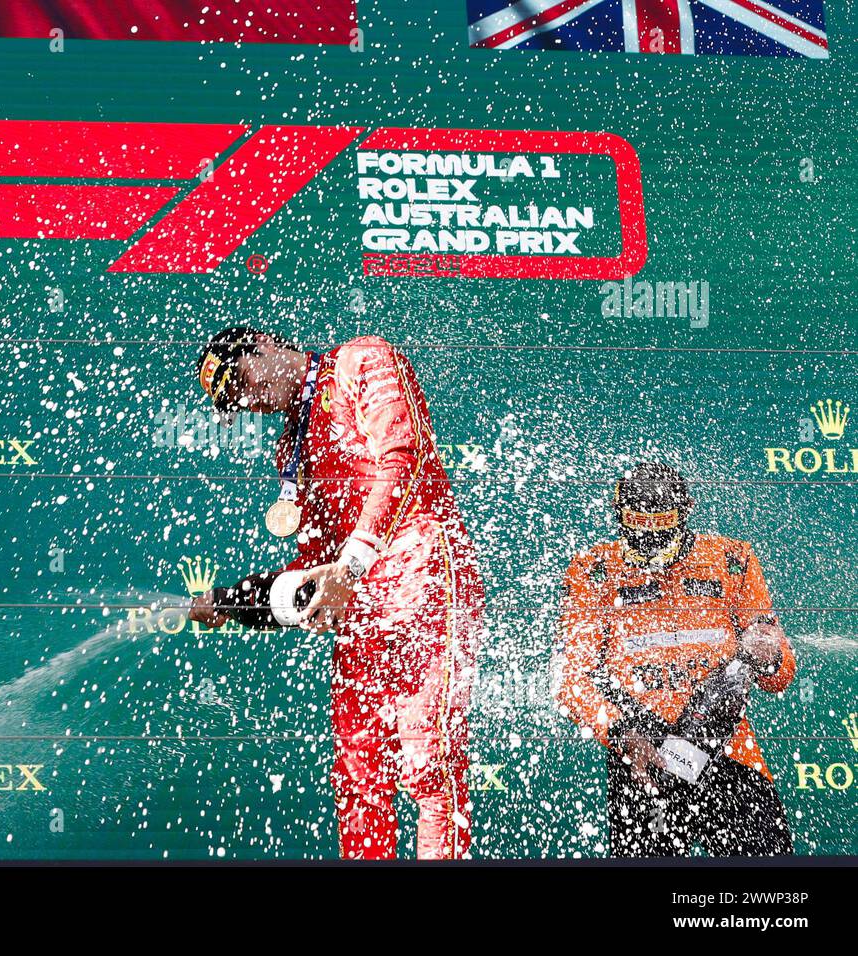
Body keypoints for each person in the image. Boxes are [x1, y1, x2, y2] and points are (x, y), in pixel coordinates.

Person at [188, 327, 486, 859]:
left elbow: (404, 459)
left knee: (427, 761)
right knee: (358, 774)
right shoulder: (292, 445)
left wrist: (350, 566)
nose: (246, 401)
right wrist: (236, 602)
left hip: (429, 587)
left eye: (240, 382)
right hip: (361, 609)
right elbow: (313, 569)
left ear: (265, 345)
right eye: (233, 402)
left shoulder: (359, 362)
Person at [553, 462, 796, 856]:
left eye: (660, 534)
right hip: (641, 761)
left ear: (685, 516)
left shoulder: (732, 559)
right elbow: (572, 682)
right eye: (638, 536)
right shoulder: (593, 571)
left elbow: (780, 674)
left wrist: (768, 655)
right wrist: (624, 735)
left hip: (728, 751)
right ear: (620, 518)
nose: (649, 547)